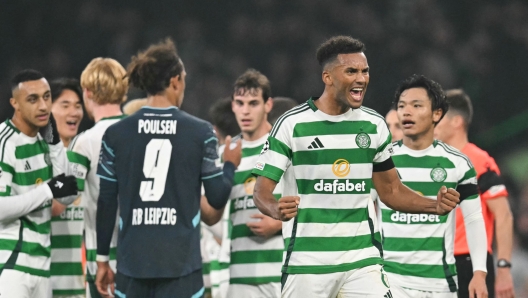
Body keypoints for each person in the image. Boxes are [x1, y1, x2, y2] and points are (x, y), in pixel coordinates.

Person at [251, 35, 461, 298]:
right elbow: (261, 190)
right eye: (351, 71)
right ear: (327, 77)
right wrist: (275, 209)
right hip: (308, 263)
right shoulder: (292, 125)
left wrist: (434, 205)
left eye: (365, 71)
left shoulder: (373, 125)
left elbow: (391, 191)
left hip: (362, 260)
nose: (361, 78)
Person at [94, 38, 241, 298]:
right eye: (184, 78)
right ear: (175, 80)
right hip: (181, 267)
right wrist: (230, 165)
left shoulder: (115, 134)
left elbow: (106, 202)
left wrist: (103, 258)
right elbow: (217, 196)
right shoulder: (200, 132)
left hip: (132, 266)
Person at [378, 75, 488, 298]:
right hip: (391, 283)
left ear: (437, 114)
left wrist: (480, 272)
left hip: (440, 284)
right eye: (401, 106)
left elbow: (474, 219)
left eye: (416, 105)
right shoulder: (381, 160)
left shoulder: (458, 163)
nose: (406, 112)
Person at [202, 69, 284, 297]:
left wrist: (280, 224)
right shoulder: (224, 155)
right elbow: (211, 215)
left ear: (268, 105)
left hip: (282, 274)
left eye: (253, 103)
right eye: (240, 103)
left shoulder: (285, 146)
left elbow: (314, 199)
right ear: (233, 105)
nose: (245, 111)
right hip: (238, 276)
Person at [0, 69, 78, 297]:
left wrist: (54, 144)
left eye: (46, 97)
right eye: (33, 99)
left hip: (42, 267)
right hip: (11, 265)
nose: (43, 106)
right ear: (15, 103)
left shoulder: (46, 144)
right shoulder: (5, 144)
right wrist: (47, 189)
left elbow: (67, 195)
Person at [435, 89, 515, 298]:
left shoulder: (479, 162)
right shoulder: (434, 163)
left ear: (456, 122)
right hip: (437, 263)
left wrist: (504, 267)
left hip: (470, 263)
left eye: (439, 117)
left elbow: (504, 215)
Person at [67, 57, 128, 298]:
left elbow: (66, 192)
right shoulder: (140, 132)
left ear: (87, 92)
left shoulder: (85, 142)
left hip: (103, 262)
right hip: (142, 257)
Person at [48, 78, 86, 298]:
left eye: (78, 105)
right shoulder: (34, 159)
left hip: (80, 287)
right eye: (65, 105)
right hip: (42, 283)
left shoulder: (85, 161)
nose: (74, 111)